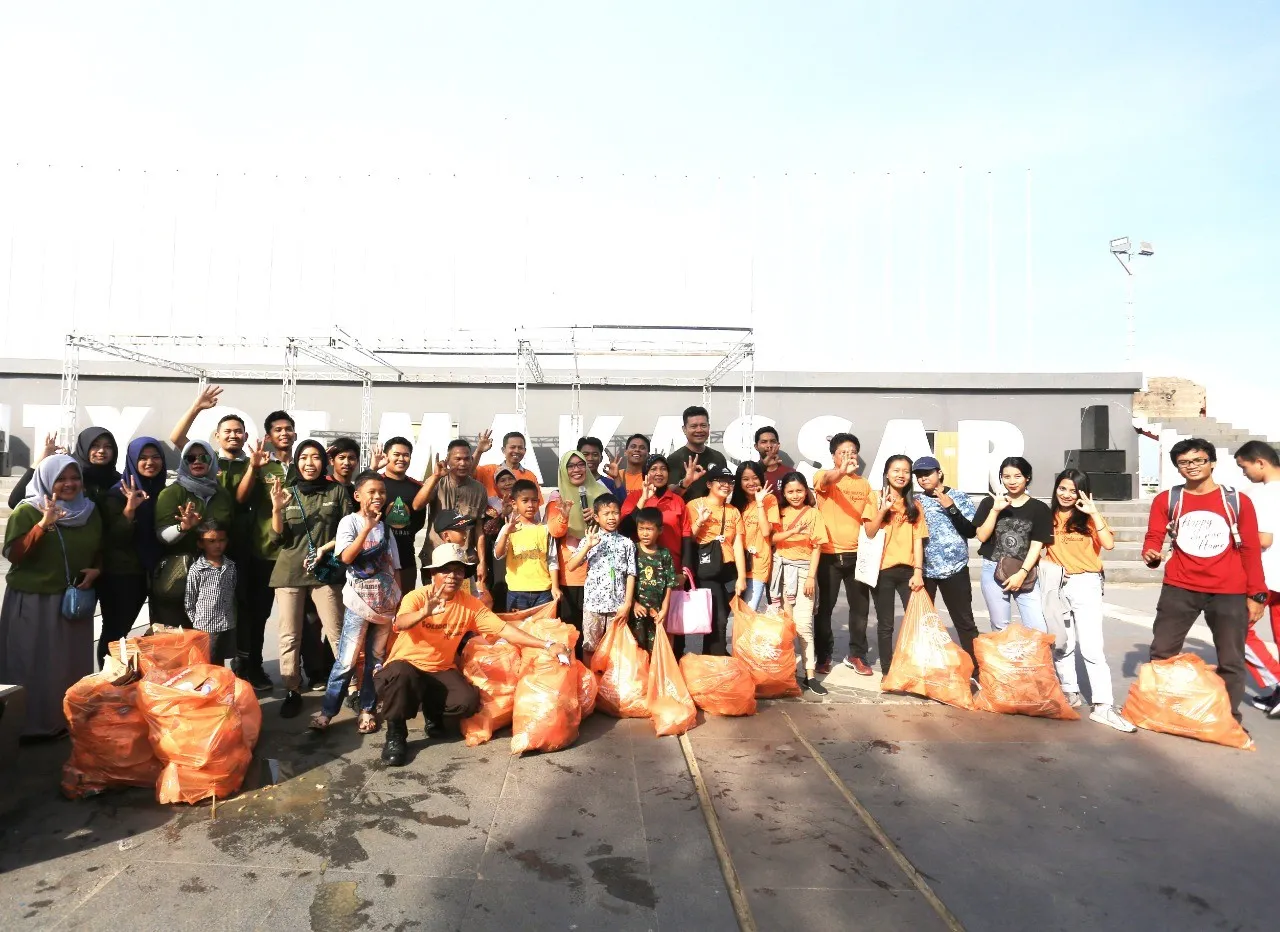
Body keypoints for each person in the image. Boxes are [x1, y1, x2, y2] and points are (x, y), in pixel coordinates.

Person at [374, 543, 571, 766]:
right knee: (401, 675)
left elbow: (504, 629)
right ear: (433, 573)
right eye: (446, 570)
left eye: (458, 570)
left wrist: (547, 644)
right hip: (406, 665)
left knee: (466, 701)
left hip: (440, 669)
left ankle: (432, 712)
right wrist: (423, 613)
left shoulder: (470, 604)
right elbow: (400, 623)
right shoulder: (417, 597)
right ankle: (396, 733)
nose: (453, 576)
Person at [1143, 438, 1266, 724]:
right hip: (1179, 587)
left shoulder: (1237, 501)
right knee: (1162, 652)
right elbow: (1154, 536)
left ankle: (1228, 721)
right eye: (1184, 462)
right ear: (1177, 467)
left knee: (1231, 660)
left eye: (1198, 460)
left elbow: (1250, 548)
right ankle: (1157, 710)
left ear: (1212, 462)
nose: (1192, 466)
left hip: (1229, 590)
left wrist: (1256, 594)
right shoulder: (1168, 499)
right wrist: (1151, 554)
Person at [0, 455, 103, 737]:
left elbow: (99, 548)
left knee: (68, 666)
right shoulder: (28, 511)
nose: (70, 484)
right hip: (34, 601)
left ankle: (63, 721)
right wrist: (43, 525)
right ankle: (26, 726)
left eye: (75, 477)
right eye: (61, 479)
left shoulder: (89, 511)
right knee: (30, 664)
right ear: (46, 480)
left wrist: (97, 570)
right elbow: (14, 554)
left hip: (73, 602)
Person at [1040, 470, 1135, 731]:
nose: (1066, 495)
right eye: (1062, 488)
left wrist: (1093, 512)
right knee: (1063, 643)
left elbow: (1108, 544)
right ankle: (1069, 691)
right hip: (1057, 584)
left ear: (1082, 492)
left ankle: (1103, 705)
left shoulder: (1089, 518)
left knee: (1092, 647)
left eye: (1073, 490)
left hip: (1086, 583)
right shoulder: (1048, 516)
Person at [311, 470, 401, 734]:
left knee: (376, 661)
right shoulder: (349, 523)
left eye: (382, 492)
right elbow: (346, 557)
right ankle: (328, 711)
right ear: (358, 495)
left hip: (384, 606)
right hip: (358, 603)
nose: (378, 496)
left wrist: (399, 600)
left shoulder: (387, 528)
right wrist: (368, 529)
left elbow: (394, 567)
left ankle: (367, 709)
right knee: (346, 660)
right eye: (372, 492)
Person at [268, 439, 352, 718]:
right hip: (290, 571)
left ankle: (347, 686)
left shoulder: (337, 491)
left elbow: (347, 531)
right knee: (289, 634)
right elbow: (277, 538)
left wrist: (326, 550)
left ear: (323, 462)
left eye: (315, 457)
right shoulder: (287, 492)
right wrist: (276, 509)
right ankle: (292, 689)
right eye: (303, 457)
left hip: (325, 571)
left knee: (336, 632)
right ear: (297, 462)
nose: (309, 463)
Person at [236, 409, 298, 691]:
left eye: (288, 428)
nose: (284, 433)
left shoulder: (303, 465)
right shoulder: (262, 465)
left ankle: (302, 671)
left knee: (296, 617)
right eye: (278, 430)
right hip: (264, 552)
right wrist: (254, 468)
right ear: (269, 437)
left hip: (294, 553)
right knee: (258, 614)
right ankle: (252, 666)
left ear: (295, 433)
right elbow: (241, 498)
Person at [96, 437, 167, 664]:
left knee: (155, 633)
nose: (150, 462)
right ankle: (107, 679)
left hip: (151, 571)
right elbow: (113, 539)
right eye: (143, 458)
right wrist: (129, 511)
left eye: (155, 457)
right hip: (121, 574)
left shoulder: (162, 491)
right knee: (115, 632)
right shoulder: (117, 493)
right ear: (132, 461)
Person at [152, 440, 236, 627]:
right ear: (184, 461)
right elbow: (162, 535)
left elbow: (230, 529)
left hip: (213, 578)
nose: (197, 461)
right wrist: (182, 528)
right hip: (179, 577)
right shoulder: (172, 493)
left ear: (212, 460)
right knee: (176, 636)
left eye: (203, 457)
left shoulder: (222, 494)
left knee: (209, 636)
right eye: (191, 458)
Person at [911, 456, 981, 671]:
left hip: (955, 569)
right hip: (926, 571)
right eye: (919, 476)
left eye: (927, 474)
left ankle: (977, 669)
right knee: (924, 622)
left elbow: (971, 530)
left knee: (964, 622)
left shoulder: (958, 496)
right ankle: (926, 667)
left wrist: (951, 508)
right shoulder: (916, 501)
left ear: (939, 473)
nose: (923, 479)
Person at [861, 456, 928, 675]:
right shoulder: (875, 498)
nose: (901, 475)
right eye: (896, 470)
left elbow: (918, 540)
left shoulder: (914, 505)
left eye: (906, 471)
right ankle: (887, 671)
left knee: (916, 621)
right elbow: (869, 532)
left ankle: (913, 666)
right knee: (886, 624)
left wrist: (918, 572)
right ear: (887, 474)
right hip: (882, 570)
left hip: (908, 570)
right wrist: (883, 510)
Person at [813, 433, 873, 676]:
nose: (849, 456)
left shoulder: (864, 485)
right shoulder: (824, 476)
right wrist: (841, 472)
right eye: (843, 452)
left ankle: (857, 654)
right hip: (828, 555)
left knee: (860, 609)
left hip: (857, 555)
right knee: (824, 609)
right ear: (833, 456)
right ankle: (823, 655)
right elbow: (827, 479)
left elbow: (869, 520)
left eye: (853, 452)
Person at [974, 456, 1053, 633]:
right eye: (1006, 476)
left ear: (1027, 477)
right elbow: (982, 536)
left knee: (1037, 629)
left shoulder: (1039, 508)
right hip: (993, 568)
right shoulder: (990, 502)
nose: (1012, 481)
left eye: (1017, 476)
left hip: (1025, 569)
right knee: (1000, 628)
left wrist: (1022, 574)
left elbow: (1036, 545)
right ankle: (1006, 653)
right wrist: (995, 510)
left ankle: (1032, 654)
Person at [771, 472, 829, 695]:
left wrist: (811, 577)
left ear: (806, 491)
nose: (795, 495)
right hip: (782, 573)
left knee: (804, 625)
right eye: (790, 491)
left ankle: (810, 675)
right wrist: (793, 531)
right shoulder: (780, 512)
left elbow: (817, 546)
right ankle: (788, 672)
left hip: (805, 572)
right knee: (785, 627)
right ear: (784, 493)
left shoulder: (814, 514)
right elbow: (772, 538)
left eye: (799, 491)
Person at [1234, 441, 1280, 714]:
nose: (1244, 473)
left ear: (1260, 462)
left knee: (1237, 628)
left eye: (1244, 467)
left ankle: (1276, 679)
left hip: (1267, 575)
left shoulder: (1264, 495)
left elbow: (1263, 539)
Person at [547, 449, 609, 652]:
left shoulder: (601, 492)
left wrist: (598, 517)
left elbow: (615, 523)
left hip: (599, 574)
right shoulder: (557, 497)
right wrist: (564, 516)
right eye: (571, 466)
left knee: (595, 637)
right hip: (571, 575)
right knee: (571, 633)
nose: (577, 469)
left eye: (580, 464)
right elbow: (554, 532)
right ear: (564, 471)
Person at [682, 463, 746, 656]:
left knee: (721, 618)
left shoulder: (733, 511)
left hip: (728, 570)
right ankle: (717, 658)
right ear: (709, 484)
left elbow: (737, 544)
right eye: (721, 481)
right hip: (707, 569)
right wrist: (700, 521)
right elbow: (689, 538)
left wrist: (741, 577)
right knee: (717, 618)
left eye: (730, 482)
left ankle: (712, 657)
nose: (726, 485)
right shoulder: (694, 505)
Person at [565, 493, 637, 655]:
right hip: (593, 605)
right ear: (596, 517)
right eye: (606, 514)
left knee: (616, 649)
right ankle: (591, 673)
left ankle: (610, 673)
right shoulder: (589, 540)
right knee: (590, 648)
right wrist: (587, 546)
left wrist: (627, 604)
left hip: (617, 606)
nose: (611, 517)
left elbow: (631, 574)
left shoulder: (627, 543)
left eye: (615, 513)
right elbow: (571, 566)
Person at [413, 439, 489, 586]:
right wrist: (435, 477)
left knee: (463, 600)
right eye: (458, 459)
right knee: (435, 600)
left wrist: (482, 562)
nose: (463, 463)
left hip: (465, 562)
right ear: (447, 460)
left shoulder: (479, 489)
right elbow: (417, 505)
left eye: (467, 459)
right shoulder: (437, 482)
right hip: (435, 559)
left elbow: (479, 529)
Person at [8, 426, 121, 508]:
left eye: (108, 446)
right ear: (84, 447)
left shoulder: (118, 482)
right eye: (95, 446)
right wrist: (43, 457)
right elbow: (15, 501)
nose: (101, 451)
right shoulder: (69, 475)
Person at [494, 478, 561, 612]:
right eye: (525, 501)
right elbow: (498, 555)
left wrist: (555, 586)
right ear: (514, 504)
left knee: (543, 625)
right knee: (519, 625)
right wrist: (506, 533)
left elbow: (552, 559)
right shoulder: (508, 528)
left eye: (534, 500)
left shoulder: (545, 529)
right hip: (517, 590)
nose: (530, 505)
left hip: (543, 591)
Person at [620, 454, 687, 576]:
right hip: (641, 569)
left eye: (663, 469)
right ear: (645, 474)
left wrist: (685, 572)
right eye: (653, 469)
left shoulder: (678, 501)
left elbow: (686, 537)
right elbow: (624, 531)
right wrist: (643, 500)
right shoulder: (634, 497)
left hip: (672, 570)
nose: (659, 473)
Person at [183, 521, 239, 666]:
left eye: (221, 540)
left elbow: (232, 590)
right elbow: (190, 600)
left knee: (220, 660)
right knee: (208, 662)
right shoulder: (197, 569)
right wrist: (198, 621)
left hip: (227, 624)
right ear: (201, 544)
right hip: (206, 627)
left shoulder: (230, 566)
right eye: (212, 541)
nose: (218, 545)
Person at [378, 436, 425, 599]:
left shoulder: (417, 487)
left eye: (406, 455)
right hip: (378, 559)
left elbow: (418, 522)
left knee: (405, 605)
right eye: (396, 454)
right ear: (386, 456)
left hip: (406, 558)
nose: (401, 459)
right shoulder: (375, 483)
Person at [729, 461, 778, 611]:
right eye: (745, 479)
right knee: (737, 613)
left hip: (757, 565)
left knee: (749, 612)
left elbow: (766, 532)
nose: (751, 483)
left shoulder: (770, 499)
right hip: (735, 565)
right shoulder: (734, 503)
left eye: (755, 478)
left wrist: (759, 503)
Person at [631, 507, 677, 653]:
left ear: (660, 530)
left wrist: (664, 609)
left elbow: (669, 583)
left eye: (649, 529)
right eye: (641, 529)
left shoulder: (664, 554)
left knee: (656, 650)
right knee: (636, 650)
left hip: (656, 613)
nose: (645, 533)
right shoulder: (633, 551)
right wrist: (634, 603)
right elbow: (625, 581)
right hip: (636, 613)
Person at [667, 405, 728, 501]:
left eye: (703, 425)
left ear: (708, 427)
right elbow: (670, 495)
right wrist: (685, 482)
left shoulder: (718, 457)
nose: (699, 430)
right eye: (693, 426)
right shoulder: (674, 459)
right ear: (684, 429)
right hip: (686, 510)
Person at [482, 465, 518, 610]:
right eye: (502, 480)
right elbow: (487, 530)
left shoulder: (524, 499)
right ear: (496, 485)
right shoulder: (490, 503)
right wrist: (502, 514)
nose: (507, 483)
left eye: (510, 479)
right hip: (498, 552)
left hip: (520, 550)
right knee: (500, 585)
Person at [474, 430, 542, 502]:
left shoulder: (530, 476)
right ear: (503, 450)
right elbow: (468, 471)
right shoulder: (488, 471)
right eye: (512, 447)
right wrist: (479, 451)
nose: (516, 451)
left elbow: (536, 503)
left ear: (525, 450)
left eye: (520, 448)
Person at [754, 426, 790, 493]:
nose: (769, 446)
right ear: (756, 446)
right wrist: (763, 465)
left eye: (773, 441)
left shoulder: (790, 473)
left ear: (778, 445)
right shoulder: (750, 472)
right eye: (764, 442)